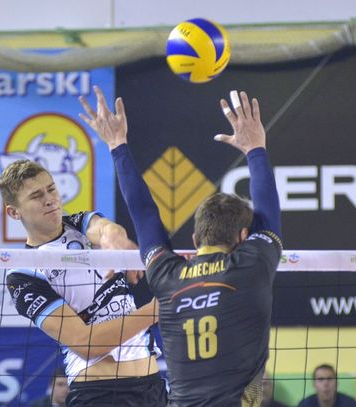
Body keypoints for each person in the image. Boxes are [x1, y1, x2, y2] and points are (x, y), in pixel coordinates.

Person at [79, 86, 282, 406]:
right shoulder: (251, 267)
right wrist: (255, 147)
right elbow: (268, 212)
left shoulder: (167, 277)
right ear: (244, 237)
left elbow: (143, 213)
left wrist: (117, 145)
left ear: (195, 241)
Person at [0, 159, 166, 405]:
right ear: (14, 212)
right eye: (36, 196)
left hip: (152, 386)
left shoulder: (80, 224)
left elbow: (106, 229)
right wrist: (158, 309)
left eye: (51, 189)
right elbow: (86, 343)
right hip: (99, 394)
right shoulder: (23, 273)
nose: (50, 199)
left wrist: (114, 240)